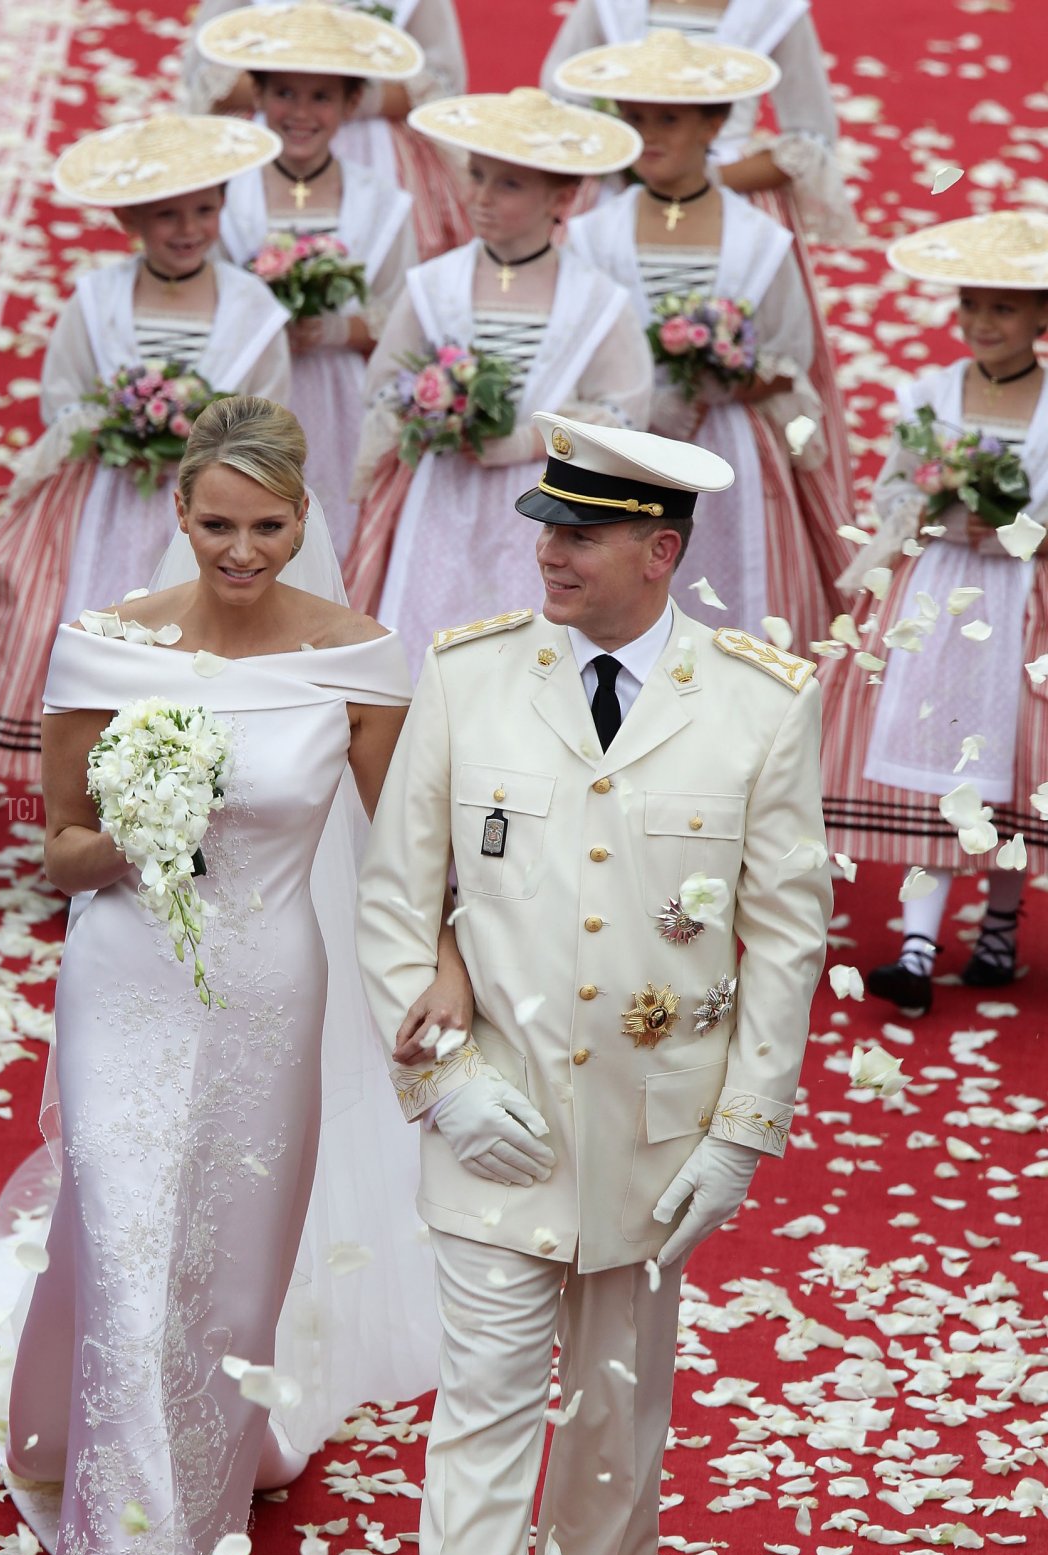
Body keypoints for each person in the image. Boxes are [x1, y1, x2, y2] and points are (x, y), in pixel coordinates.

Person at [355, 411, 831, 1555]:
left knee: (615, 1426)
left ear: (659, 551)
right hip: (495, 1124)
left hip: (652, 1139)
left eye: (580, 534)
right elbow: (396, 899)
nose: (549, 554)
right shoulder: (469, 678)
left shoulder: (756, 704)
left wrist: (741, 1135)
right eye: (548, 528)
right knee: (486, 1408)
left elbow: (785, 936)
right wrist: (441, 1082)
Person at [0, 395, 471, 1555]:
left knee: (224, 1287)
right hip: (123, 991)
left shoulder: (356, 658)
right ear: (181, 513)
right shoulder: (108, 646)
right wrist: (146, 832)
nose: (242, 550)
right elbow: (60, 849)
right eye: (217, 525)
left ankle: (219, 1451)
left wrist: (447, 967)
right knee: (131, 1266)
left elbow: (408, 857)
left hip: (269, 993)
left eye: (267, 526)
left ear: (304, 516)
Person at [0, 114, 291, 782]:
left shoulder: (252, 306)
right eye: (166, 215)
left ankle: (183, 779)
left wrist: (205, 443)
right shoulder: (96, 298)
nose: (187, 229)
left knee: (194, 636)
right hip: (106, 500)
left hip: (208, 514)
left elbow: (268, 414)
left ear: (223, 208)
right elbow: (62, 397)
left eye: (203, 210)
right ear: (131, 219)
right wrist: (122, 421)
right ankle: (84, 787)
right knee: (93, 626)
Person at [542, 0, 858, 597]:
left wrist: (719, 379)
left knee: (732, 586)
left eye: (668, 118)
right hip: (624, 445)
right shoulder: (593, 235)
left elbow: (789, 357)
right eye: (636, 118)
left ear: (715, 122)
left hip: (728, 443)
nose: (649, 134)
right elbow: (572, 347)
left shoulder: (757, 241)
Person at [820, 211, 1048, 1013]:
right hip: (941, 596)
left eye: (1004, 307)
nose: (983, 322)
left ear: (1041, 315)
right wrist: (937, 509)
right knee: (943, 753)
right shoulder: (932, 394)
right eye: (971, 305)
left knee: (1016, 759)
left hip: (1023, 601)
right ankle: (917, 948)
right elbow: (893, 488)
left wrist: (1019, 530)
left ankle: (999, 926)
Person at [345, 87, 654, 667]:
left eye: (508, 184)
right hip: (440, 495)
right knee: (427, 631)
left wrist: (527, 441)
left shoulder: (597, 299)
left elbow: (622, 411)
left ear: (561, 196)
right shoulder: (433, 284)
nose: (481, 198)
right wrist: (431, 412)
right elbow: (385, 386)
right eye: (477, 176)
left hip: (547, 503)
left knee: (525, 644)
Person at [202, 3, 419, 559]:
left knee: (328, 534)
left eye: (321, 96)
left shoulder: (382, 202)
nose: (300, 113)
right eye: (284, 93)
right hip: (243, 395)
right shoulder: (223, 195)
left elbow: (403, 320)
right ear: (257, 93)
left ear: (352, 102)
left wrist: (334, 329)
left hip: (340, 399)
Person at [179, 0, 471, 261]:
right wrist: (291, 88)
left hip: (377, 146)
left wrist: (347, 96)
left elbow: (442, 84)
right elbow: (205, 73)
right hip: (266, 137)